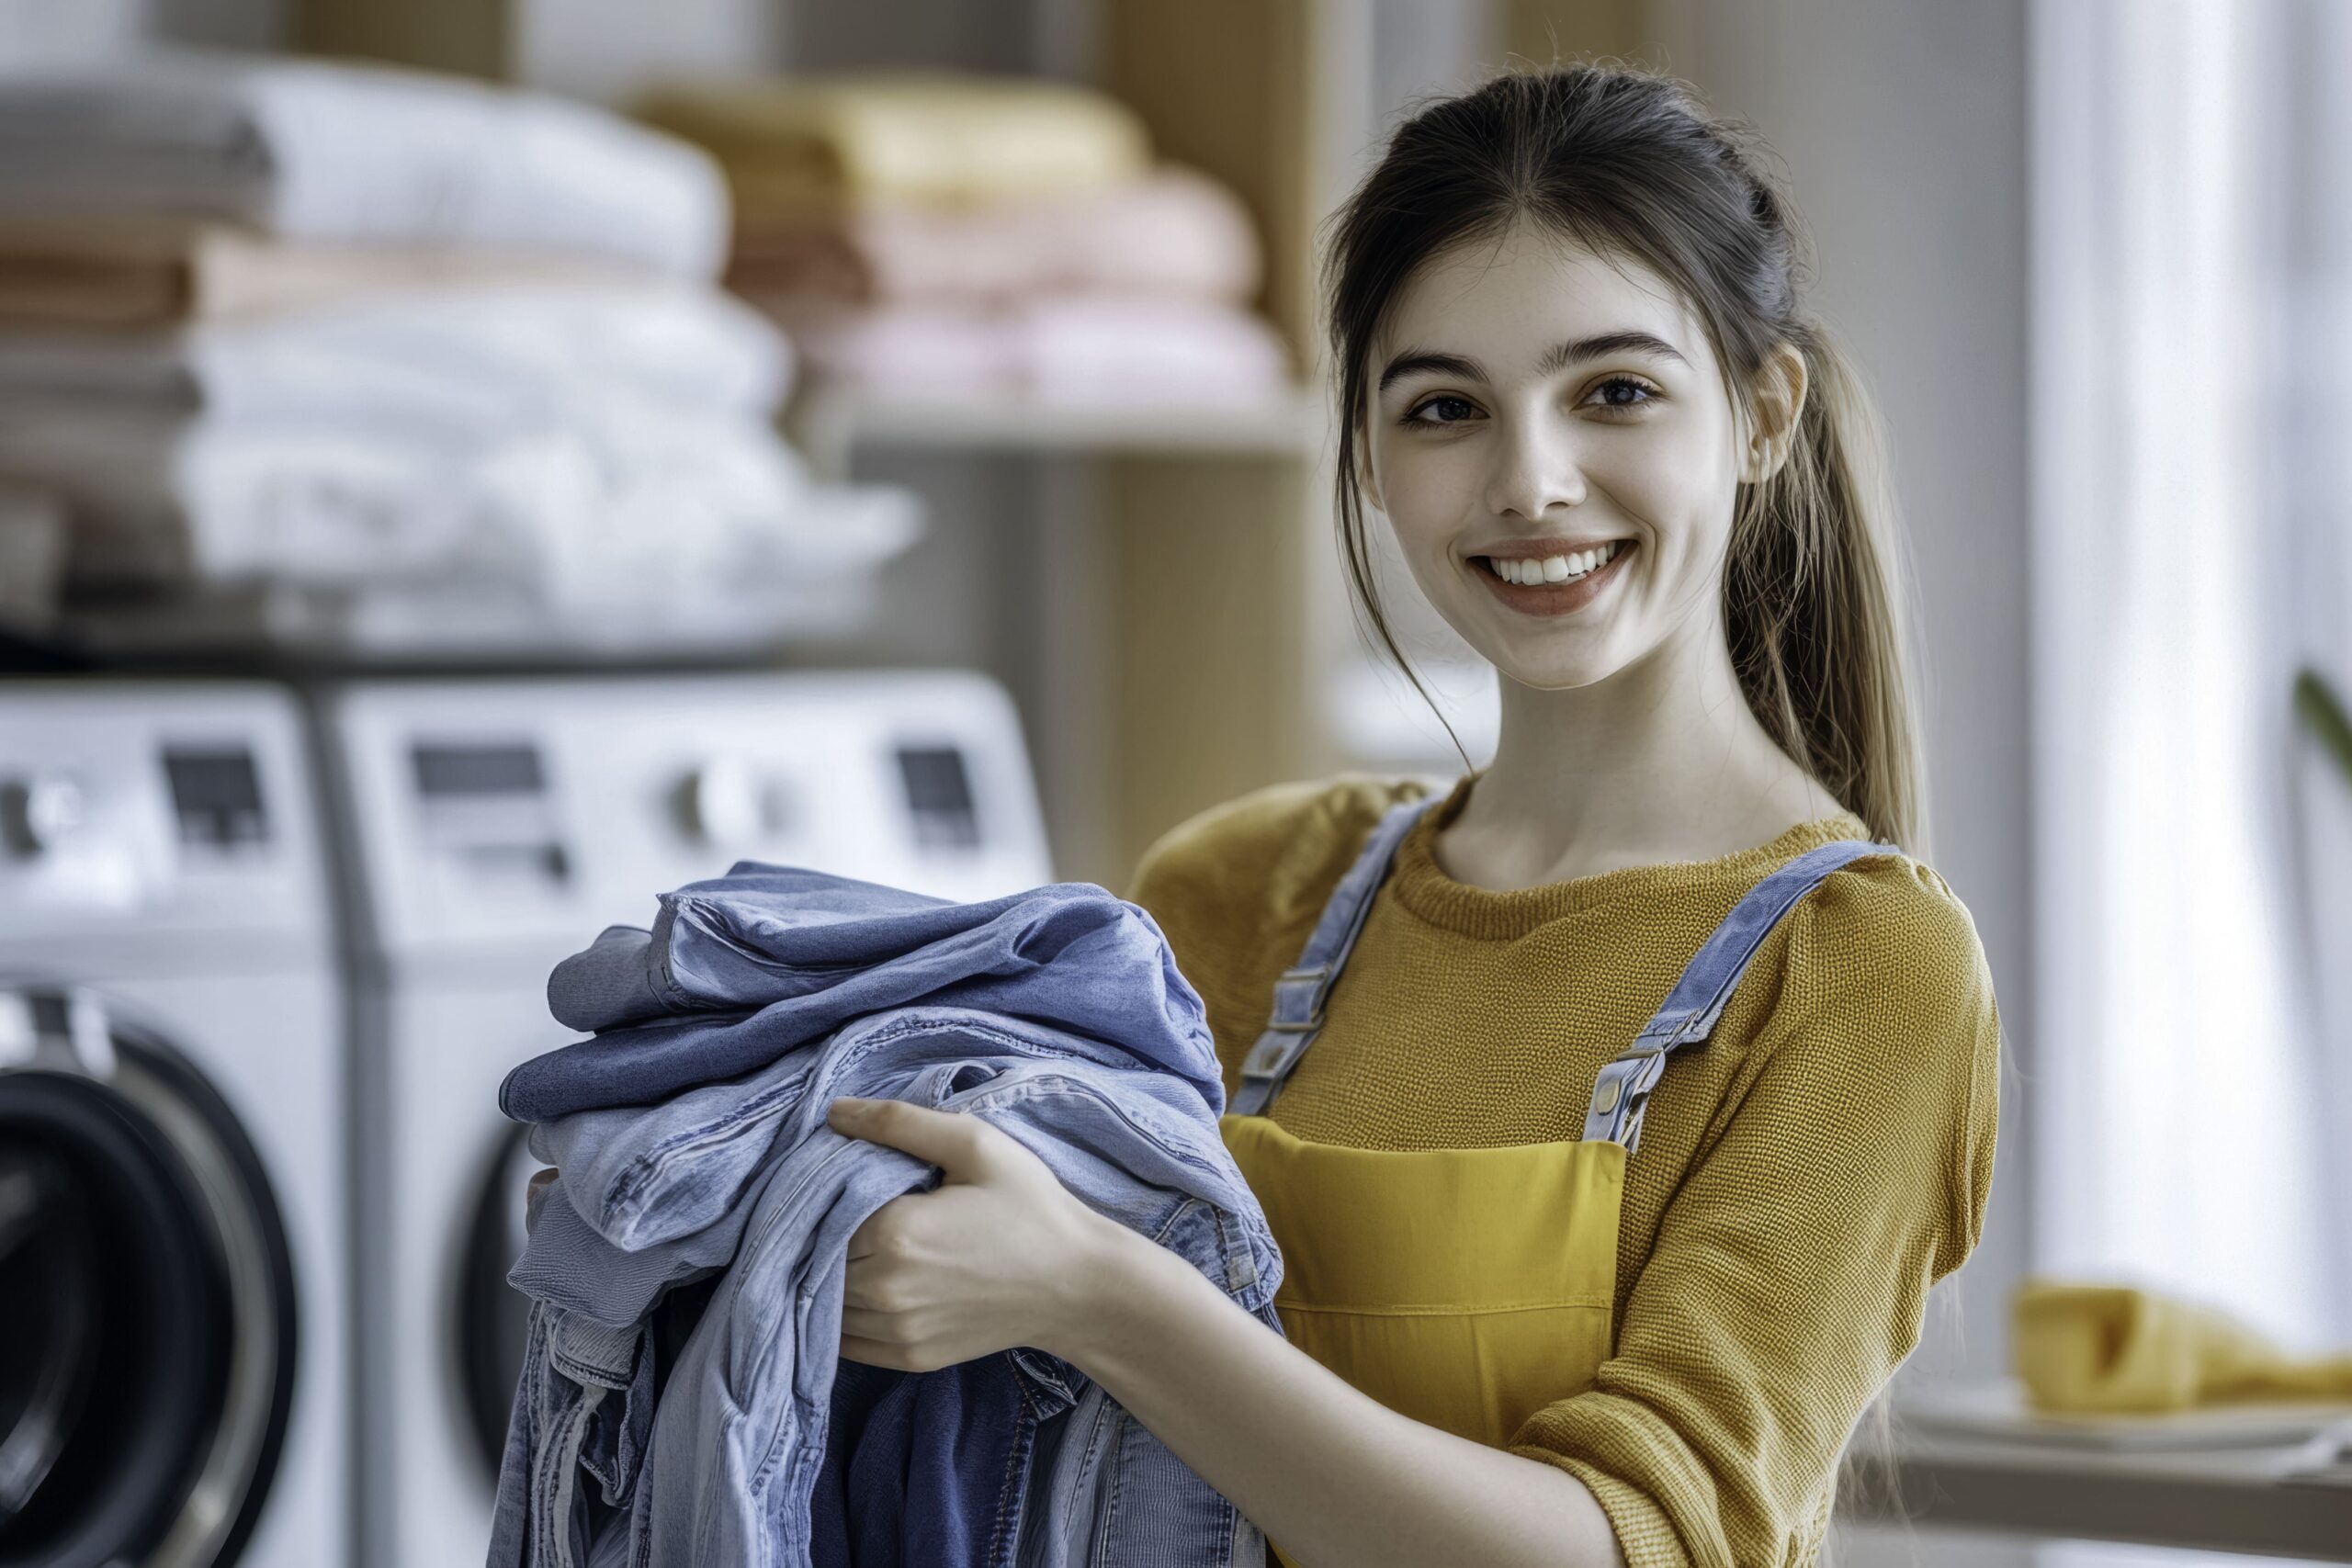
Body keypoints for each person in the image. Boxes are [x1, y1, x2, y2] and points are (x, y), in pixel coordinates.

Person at [824, 62, 2001, 1568]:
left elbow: (1638, 1545)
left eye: (1616, 392)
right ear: (1371, 456)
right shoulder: (1241, 890)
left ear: (1762, 413)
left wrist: (1108, 1301)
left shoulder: (1859, 972)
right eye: (1446, 408)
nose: (1532, 481)